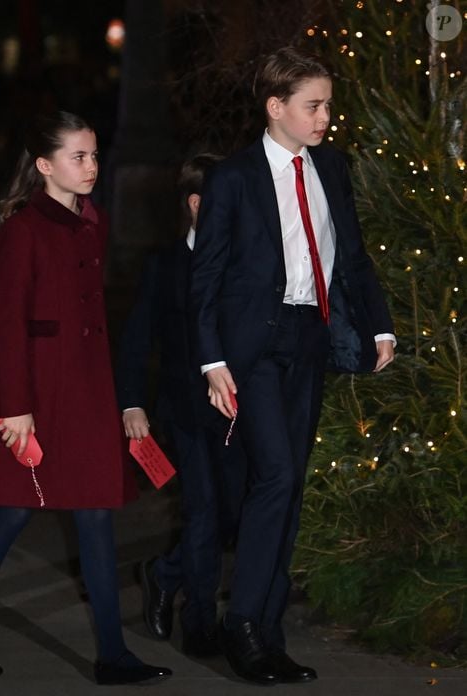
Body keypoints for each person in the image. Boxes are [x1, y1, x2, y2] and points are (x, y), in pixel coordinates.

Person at [189, 47, 396, 685]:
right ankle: (244, 625)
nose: (325, 116)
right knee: (275, 475)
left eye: (328, 104)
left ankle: (267, 631)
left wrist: (379, 323)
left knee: (291, 484)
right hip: (251, 347)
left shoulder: (331, 168)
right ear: (275, 107)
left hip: (309, 339)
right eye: (313, 105)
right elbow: (207, 276)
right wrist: (211, 358)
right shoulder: (234, 177)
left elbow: (352, 256)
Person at [0, 111, 172, 686]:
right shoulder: (24, 227)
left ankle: (113, 655)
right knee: (12, 511)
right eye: (79, 157)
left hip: (89, 392)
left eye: (95, 155)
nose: (92, 166)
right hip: (34, 395)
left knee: (96, 513)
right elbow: (6, 325)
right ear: (45, 165)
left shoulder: (93, 219)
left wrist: (122, 399)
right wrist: (16, 409)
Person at [116, 154, 246, 658]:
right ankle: (199, 622)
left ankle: (163, 572)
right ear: (197, 205)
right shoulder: (164, 266)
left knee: (233, 514)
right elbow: (136, 340)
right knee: (203, 512)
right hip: (186, 412)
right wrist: (132, 404)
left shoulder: (246, 262)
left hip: (238, 412)